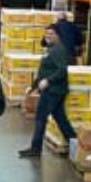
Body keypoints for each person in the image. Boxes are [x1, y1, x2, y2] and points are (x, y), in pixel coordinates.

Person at [20, 25, 75, 159]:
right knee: (61, 119)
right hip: (53, 90)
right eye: (46, 34)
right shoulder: (50, 49)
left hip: (53, 90)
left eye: (51, 33)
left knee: (40, 118)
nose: (48, 36)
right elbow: (43, 71)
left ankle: (35, 149)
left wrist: (48, 81)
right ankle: (75, 144)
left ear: (58, 35)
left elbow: (62, 70)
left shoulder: (58, 50)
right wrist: (32, 86)